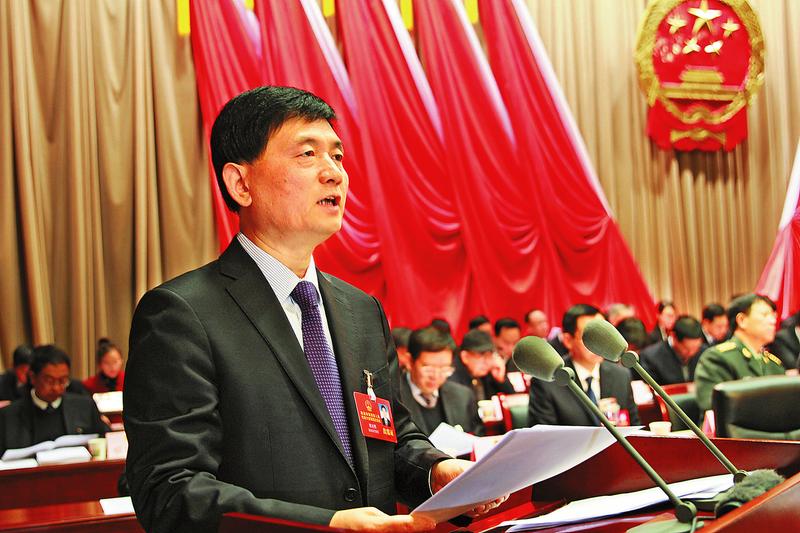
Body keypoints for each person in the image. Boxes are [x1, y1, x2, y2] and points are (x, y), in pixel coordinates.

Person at [124, 86, 502, 533]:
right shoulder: (182, 314)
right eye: (307, 154)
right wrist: (326, 524)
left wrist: (436, 471)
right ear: (241, 184)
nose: (334, 173)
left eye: (337, 156)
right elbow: (170, 490)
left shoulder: (361, 310)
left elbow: (389, 437)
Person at [528, 305, 640, 427]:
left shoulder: (621, 375)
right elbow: (544, 435)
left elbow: (634, 426)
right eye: (589, 338)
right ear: (568, 340)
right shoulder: (547, 382)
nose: (599, 344)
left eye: (603, 336)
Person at [0, 345, 108, 455]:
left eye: (62, 381)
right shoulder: (8, 416)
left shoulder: (85, 407)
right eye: (49, 381)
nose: (56, 387)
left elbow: (106, 442)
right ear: (33, 377)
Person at [694, 294, 785, 412]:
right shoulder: (716, 359)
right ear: (742, 320)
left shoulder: (774, 364)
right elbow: (715, 409)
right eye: (764, 315)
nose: (773, 321)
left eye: (773, 316)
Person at [398, 327, 483, 436]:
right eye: (428, 368)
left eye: (444, 368)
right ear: (410, 362)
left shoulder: (463, 396)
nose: (435, 376)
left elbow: (478, 435)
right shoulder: (394, 399)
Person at [450, 330, 515, 401]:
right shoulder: (452, 379)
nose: (486, 362)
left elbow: (512, 399)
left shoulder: (489, 372)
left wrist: (501, 379)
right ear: (465, 357)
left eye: (489, 355)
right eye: (481, 355)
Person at [639, 316, 705, 385]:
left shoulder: (704, 352)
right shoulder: (651, 357)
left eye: (696, 348)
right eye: (686, 349)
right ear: (674, 337)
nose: (691, 353)